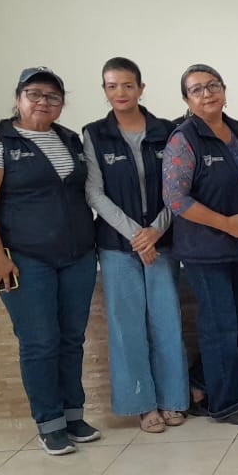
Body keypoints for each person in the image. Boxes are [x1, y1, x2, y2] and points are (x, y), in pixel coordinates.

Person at [0, 67, 101, 455]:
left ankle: (73, 415)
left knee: (71, 339)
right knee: (40, 342)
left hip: (77, 257)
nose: (44, 102)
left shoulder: (69, 139)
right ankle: (49, 422)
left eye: (53, 96)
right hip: (26, 260)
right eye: (35, 94)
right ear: (18, 98)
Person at [83, 57, 189, 434]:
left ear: (141, 88)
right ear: (104, 90)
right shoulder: (95, 134)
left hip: (162, 241)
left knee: (167, 321)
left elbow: (178, 187)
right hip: (117, 245)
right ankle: (143, 404)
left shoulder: (167, 131)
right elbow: (94, 192)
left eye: (128, 85)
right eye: (112, 86)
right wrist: (135, 234)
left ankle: (174, 399)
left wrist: (155, 231)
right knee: (127, 327)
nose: (120, 92)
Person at [162, 64, 238, 426]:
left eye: (212, 86)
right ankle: (226, 404)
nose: (207, 94)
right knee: (220, 326)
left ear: (224, 89)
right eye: (197, 89)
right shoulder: (184, 138)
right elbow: (176, 199)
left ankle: (200, 383)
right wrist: (226, 224)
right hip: (203, 248)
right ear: (187, 99)